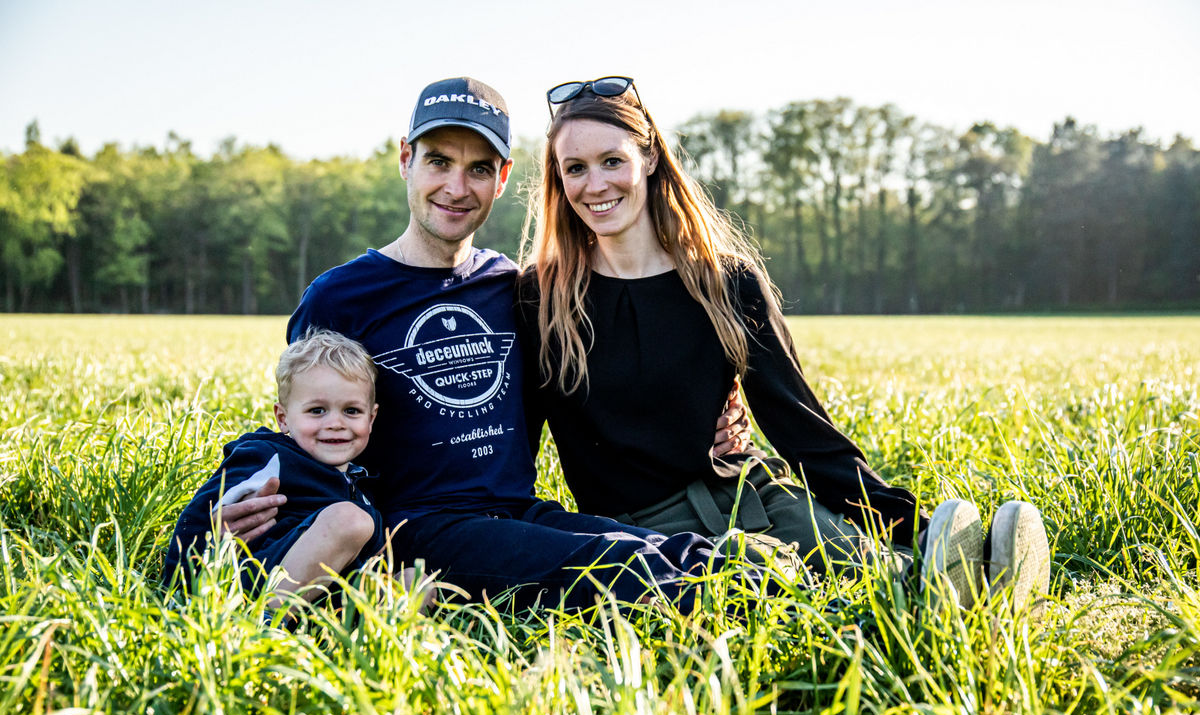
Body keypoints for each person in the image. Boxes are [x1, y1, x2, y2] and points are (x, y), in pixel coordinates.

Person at [212, 77, 761, 614]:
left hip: (518, 512)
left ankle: (776, 580)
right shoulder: (340, 298)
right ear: (405, 159)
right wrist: (235, 508)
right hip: (415, 530)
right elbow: (302, 424)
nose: (457, 188)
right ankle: (758, 596)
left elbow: (597, 385)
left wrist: (704, 416)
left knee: (652, 546)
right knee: (622, 568)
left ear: (502, 178)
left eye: (478, 168)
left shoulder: (514, 289)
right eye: (439, 162)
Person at [518, 76, 1051, 607]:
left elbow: (802, 430)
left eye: (612, 161)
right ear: (558, 179)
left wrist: (916, 524)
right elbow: (513, 449)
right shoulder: (540, 297)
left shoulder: (725, 283)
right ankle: (955, 592)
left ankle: (981, 575)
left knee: (877, 567)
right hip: (650, 533)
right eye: (575, 168)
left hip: (754, 492)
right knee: (817, 592)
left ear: (650, 157)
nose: (595, 184)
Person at [164, 329, 392, 607]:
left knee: (415, 583)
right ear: (283, 418)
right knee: (351, 520)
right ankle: (265, 619)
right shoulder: (270, 456)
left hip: (321, 596)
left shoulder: (361, 482)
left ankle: (347, 624)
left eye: (351, 411)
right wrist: (177, 587)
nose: (336, 423)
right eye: (317, 410)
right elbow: (202, 516)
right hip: (252, 583)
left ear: (371, 418)